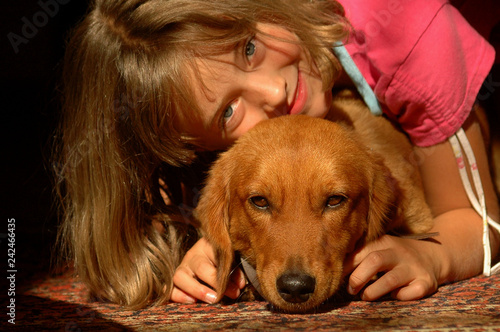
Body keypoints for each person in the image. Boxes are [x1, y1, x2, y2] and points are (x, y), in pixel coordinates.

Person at [55, 0, 499, 309]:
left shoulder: (409, 36)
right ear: (198, 149)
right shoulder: (231, 160)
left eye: (248, 48)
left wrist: (431, 256)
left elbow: (480, 221)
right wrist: (210, 245)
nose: (274, 92)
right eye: (227, 112)